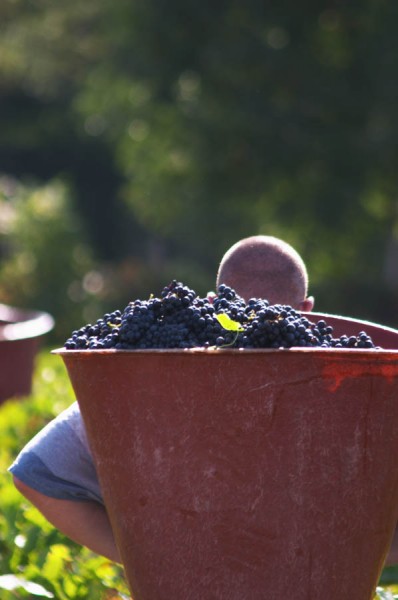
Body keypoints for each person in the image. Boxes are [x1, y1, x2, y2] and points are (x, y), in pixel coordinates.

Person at [9, 235, 315, 564]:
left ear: (214, 302)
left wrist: (147, 565)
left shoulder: (152, 380)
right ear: (307, 310)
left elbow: (35, 474)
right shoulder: (344, 384)